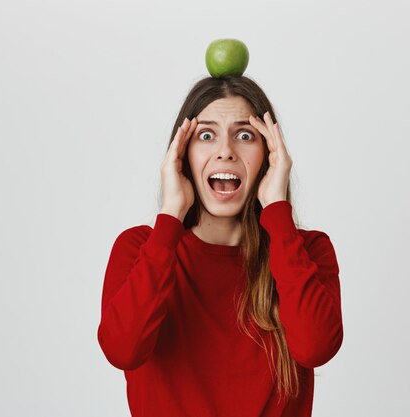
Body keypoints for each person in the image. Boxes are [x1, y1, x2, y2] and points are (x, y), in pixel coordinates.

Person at [97, 75, 343, 416]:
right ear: (182, 154)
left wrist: (277, 209)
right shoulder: (138, 249)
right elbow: (123, 350)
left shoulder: (307, 251)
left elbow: (316, 347)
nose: (225, 151)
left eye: (245, 136)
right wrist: (170, 216)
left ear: (270, 155)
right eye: (206, 135)